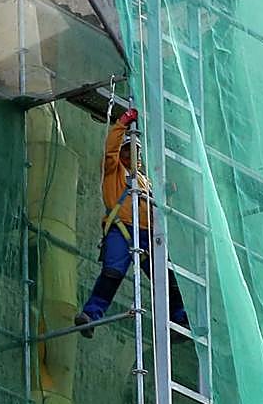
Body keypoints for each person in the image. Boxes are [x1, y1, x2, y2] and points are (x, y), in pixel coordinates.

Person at [75, 107, 189, 338]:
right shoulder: (114, 172)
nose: (133, 156)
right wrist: (123, 123)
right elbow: (110, 151)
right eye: (128, 151)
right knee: (112, 273)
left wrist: (166, 192)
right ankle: (91, 315)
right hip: (121, 228)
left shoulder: (145, 181)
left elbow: (154, 207)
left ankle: (180, 319)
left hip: (148, 233)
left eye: (136, 151)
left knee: (166, 277)